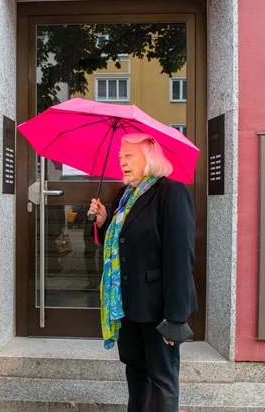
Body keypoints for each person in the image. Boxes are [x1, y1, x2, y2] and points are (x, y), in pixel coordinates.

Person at [87, 133, 197, 412]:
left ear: (149, 157)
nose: (122, 162)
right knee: (136, 375)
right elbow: (126, 240)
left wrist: (175, 317)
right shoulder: (125, 195)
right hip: (128, 306)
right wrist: (104, 221)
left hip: (158, 309)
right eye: (120, 156)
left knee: (163, 380)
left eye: (129, 156)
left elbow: (180, 258)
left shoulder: (171, 193)